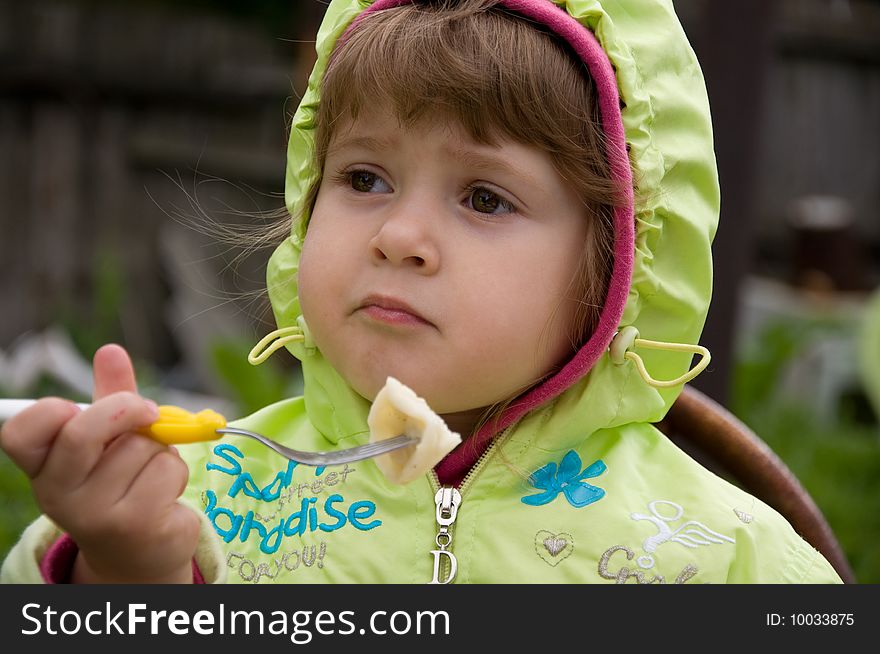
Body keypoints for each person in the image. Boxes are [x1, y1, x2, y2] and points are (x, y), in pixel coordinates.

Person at [1, 0, 842, 584]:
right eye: (364, 177)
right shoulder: (183, 499)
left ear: (617, 270)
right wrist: (127, 567)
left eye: (484, 197)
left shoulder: (727, 561)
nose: (397, 236)